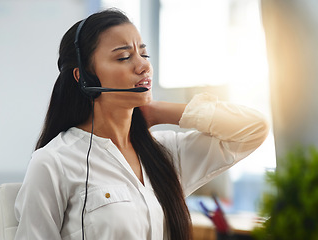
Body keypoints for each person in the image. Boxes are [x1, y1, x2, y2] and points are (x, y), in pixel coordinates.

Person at [14, 9, 269, 240]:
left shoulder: (165, 153)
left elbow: (253, 128)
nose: (143, 65)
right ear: (84, 76)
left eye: (143, 53)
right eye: (124, 57)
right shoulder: (54, 162)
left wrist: (159, 111)